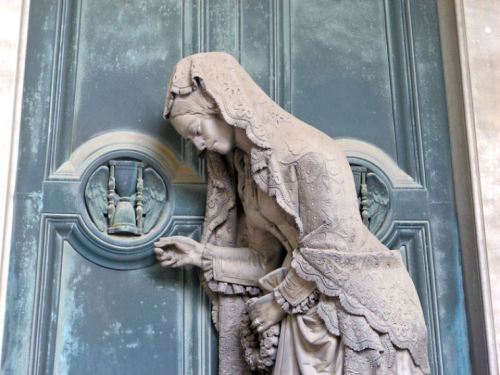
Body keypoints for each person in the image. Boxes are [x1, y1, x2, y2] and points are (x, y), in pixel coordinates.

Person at [154, 52, 430, 374]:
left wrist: (279, 302)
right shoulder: (249, 175)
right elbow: (265, 260)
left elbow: (336, 248)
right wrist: (200, 256)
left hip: (363, 316)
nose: (199, 146)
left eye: (196, 131)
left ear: (222, 105)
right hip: (307, 322)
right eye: (190, 139)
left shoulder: (304, 152)